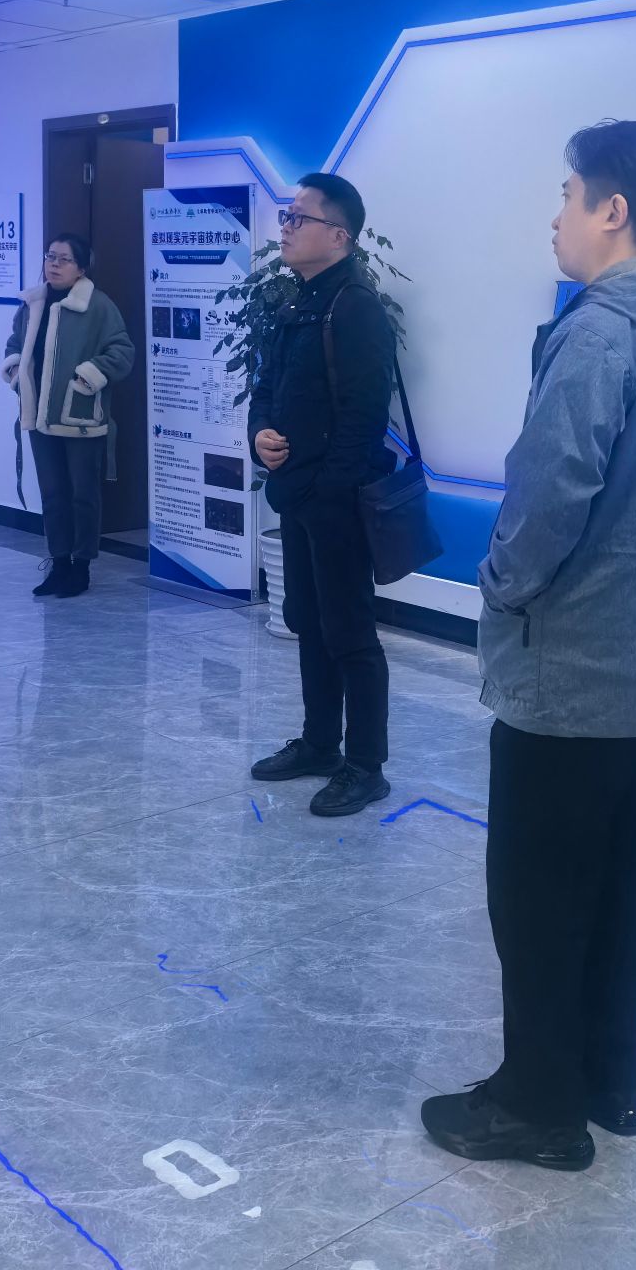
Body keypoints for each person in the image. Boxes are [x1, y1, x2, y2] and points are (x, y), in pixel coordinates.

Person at [421, 120, 636, 1171]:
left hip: (569, 664)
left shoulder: (600, 332)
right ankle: (611, 1078)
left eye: (567, 195)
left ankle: (539, 1105)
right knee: (620, 888)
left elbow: (550, 492)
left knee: (540, 896)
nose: (554, 217)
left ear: (613, 210)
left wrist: (500, 586)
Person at [247, 173, 398, 818]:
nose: (285, 228)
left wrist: (326, 494)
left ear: (339, 235)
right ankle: (318, 743)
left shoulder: (357, 309)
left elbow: (364, 422)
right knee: (307, 622)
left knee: (350, 633)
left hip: (335, 504)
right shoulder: (295, 303)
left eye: (297, 218)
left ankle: (365, 765)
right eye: (286, 217)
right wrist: (260, 435)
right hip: (297, 497)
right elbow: (266, 388)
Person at [2, 231, 135, 598]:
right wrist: (15, 371)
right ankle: (58, 564)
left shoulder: (98, 306)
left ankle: (81, 567)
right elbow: (14, 343)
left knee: (83, 495)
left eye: (64, 259)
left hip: (80, 419)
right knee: (52, 493)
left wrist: (86, 377)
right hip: (38, 417)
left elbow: (122, 351)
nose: (54, 265)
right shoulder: (32, 304)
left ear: (81, 268)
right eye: (50, 257)